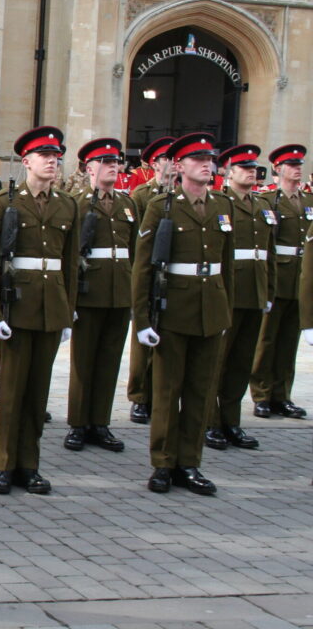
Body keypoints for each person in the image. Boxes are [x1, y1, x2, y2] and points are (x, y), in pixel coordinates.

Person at [132, 132, 234, 495]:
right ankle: (162, 463)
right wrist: (142, 320)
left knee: (199, 391)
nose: (207, 164)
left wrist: (226, 311)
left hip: (211, 310)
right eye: (197, 159)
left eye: (210, 158)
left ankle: (189, 463)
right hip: (173, 309)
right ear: (179, 166)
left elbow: (227, 265)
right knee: (166, 389)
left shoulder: (223, 206)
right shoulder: (162, 206)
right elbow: (143, 267)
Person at [0, 126, 79, 496]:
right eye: (45, 156)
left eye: (56, 156)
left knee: (38, 393)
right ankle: (3, 464)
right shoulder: (5, 203)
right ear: (26, 161)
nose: (53, 161)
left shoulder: (67, 204)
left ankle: (30, 464)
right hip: (16, 305)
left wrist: (68, 311)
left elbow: (70, 264)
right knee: (12, 391)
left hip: (50, 307)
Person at [64, 138, 137, 454]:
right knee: (84, 360)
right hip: (89, 291)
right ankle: (78, 423)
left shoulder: (127, 204)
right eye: (105, 162)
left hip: (119, 291)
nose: (113, 167)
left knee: (109, 360)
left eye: (115, 162)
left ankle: (100, 422)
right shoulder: (77, 204)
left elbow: (133, 249)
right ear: (89, 168)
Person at [207, 144, 272, 451]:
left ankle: (231, 421)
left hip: (254, 292)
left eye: (253, 168)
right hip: (228, 292)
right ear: (228, 172)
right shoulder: (220, 203)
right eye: (244, 167)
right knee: (216, 361)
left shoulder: (262, 206)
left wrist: (268, 291)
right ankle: (210, 421)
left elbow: (267, 254)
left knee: (241, 363)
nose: (251, 172)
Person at [248, 144, 311, 420]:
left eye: (299, 164)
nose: (298, 168)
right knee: (267, 339)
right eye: (292, 165)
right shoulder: (269, 201)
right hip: (278, 275)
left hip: (301, 278)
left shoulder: (308, 201)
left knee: (289, 341)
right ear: (278, 168)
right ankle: (261, 394)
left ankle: (281, 395)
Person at [126, 136, 175, 424]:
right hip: (149, 268)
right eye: (166, 159)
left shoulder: (179, 195)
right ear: (155, 163)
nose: (172, 164)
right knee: (143, 336)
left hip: (172, 274)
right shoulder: (142, 195)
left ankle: (159, 392)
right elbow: (139, 239)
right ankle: (140, 395)